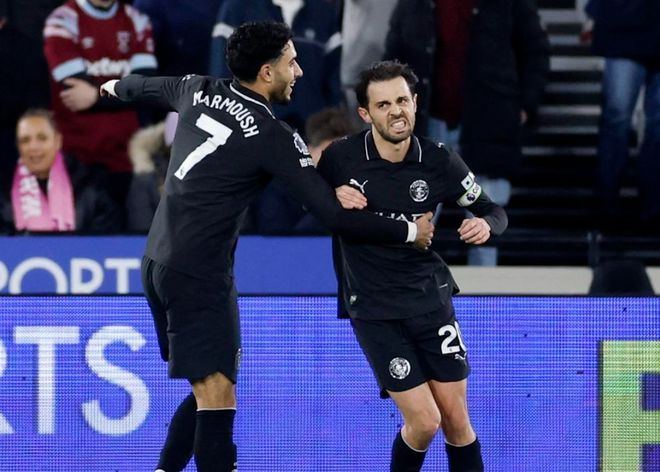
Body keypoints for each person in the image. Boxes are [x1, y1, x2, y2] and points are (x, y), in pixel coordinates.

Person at [99, 21, 434, 472]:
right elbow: (333, 216)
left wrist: (111, 87)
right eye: (291, 62)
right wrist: (409, 232)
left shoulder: (197, 88)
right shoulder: (271, 134)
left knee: (208, 385)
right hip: (199, 274)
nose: (299, 71)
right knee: (217, 397)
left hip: (158, 263)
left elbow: (140, 87)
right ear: (267, 72)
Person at [316, 61, 508, 472]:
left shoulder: (438, 160)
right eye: (383, 104)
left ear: (416, 103)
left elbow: (493, 209)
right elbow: (307, 201)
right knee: (424, 421)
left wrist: (485, 225)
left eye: (402, 100)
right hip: (374, 309)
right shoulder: (340, 158)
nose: (396, 111)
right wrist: (331, 195)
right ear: (366, 113)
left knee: (456, 420)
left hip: (430, 301)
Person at [384, 0, 549, 265]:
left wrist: (526, 105)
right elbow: (394, 55)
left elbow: (534, 50)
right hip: (428, 124)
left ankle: (485, 291)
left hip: (488, 125)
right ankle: (408, 286)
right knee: (413, 225)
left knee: (485, 229)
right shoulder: (414, 4)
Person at [43, 0, 158, 225]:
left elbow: (145, 88)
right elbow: (75, 90)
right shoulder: (62, 20)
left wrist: (96, 96)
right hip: (78, 159)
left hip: (128, 158)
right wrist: (125, 91)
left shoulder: (136, 20)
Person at [208, 0, 343, 134]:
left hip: (311, 130)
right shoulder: (238, 7)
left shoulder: (324, 13)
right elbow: (222, 72)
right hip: (253, 126)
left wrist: (329, 132)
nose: (298, 72)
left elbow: (334, 82)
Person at [584, 0, 660, 228]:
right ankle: (607, 201)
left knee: (654, 124)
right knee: (617, 117)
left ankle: (653, 204)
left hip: (626, 24)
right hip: (622, 26)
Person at [0, 108, 121, 234]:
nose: (33, 147)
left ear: (58, 141)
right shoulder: (4, 192)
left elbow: (106, 240)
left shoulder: (91, 185)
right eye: (25, 140)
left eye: (42, 138)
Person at [253, 106, 358, 234]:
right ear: (308, 151)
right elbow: (277, 241)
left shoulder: (361, 190)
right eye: (328, 153)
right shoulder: (279, 191)